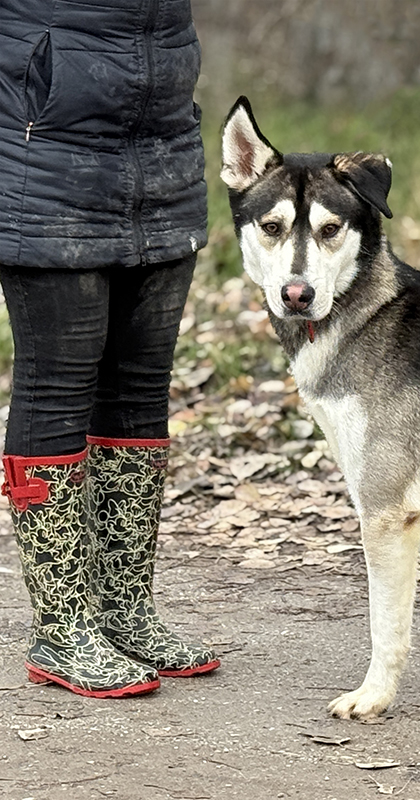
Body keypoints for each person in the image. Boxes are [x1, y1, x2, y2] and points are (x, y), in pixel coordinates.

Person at [0, 0, 218, 698]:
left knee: (140, 387)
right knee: (57, 385)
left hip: (163, 154)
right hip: (43, 160)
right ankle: (63, 629)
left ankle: (124, 610)